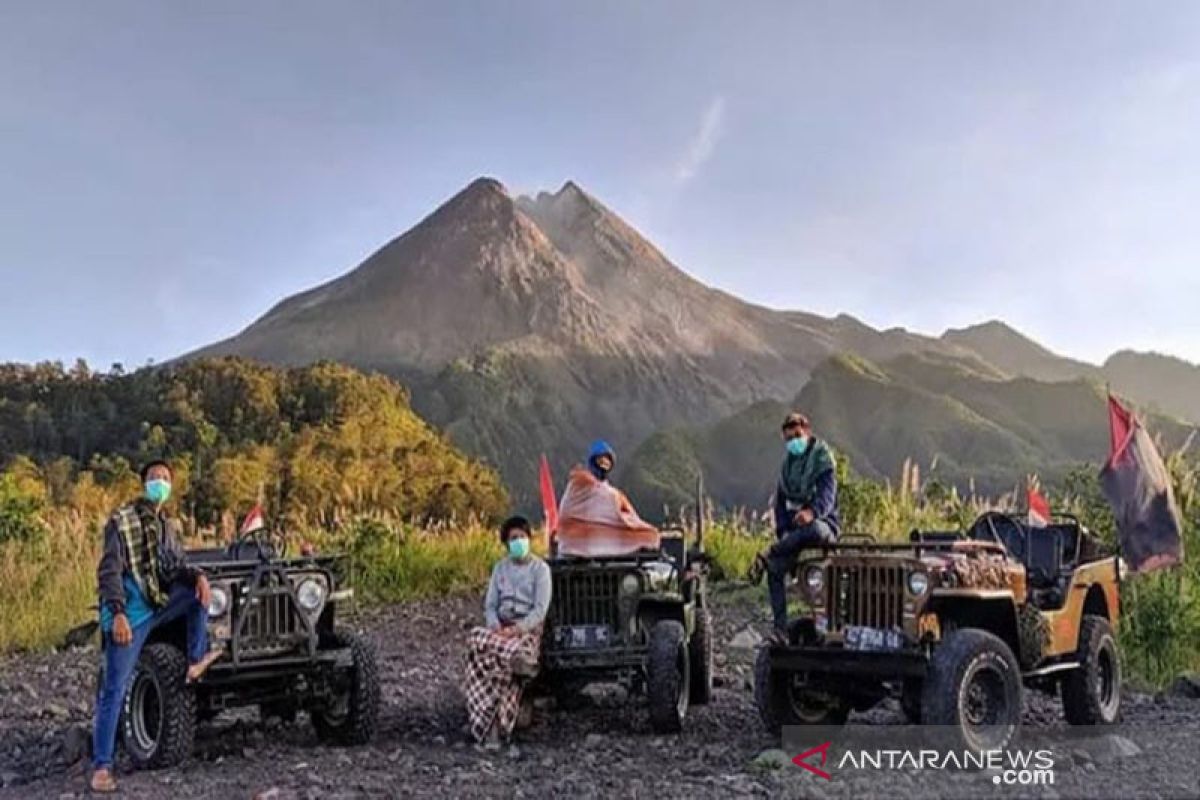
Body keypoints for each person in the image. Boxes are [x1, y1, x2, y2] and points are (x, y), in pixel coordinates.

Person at [90, 460, 222, 794]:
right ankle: (101, 767)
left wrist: (198, 577)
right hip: (130, 615)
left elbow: (175, 565)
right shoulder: (122, 522)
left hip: (156, 604)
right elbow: (108, 572)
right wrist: (117, 613)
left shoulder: (166, 526)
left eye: (165, 479)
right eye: (154, 478)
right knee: (115, 689)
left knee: (196, 595)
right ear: (143, 482)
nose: (159, 483)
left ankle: (195, 661)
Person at [463, 516, 552, 748]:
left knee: (492, 662)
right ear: (506, 543)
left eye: (522, 537)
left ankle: (493, 725)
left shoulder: (540, 570)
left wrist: (516, 630)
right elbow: (491, 606)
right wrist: (496, 627)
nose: (519, 542)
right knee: (476, 638)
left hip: (525, 631)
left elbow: (539, 611)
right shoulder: (500, 569)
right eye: (514, 538)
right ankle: (489, 722)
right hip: (500, 630)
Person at [752, 413, 840, 643]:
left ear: (807, 432)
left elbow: (827, 497)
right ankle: (780, 630)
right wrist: (784, 532)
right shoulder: (786, 469)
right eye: (789, 439)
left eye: (797, 436)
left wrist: (811, 513)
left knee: (813, 530)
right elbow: (780, 509)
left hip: (821, 526)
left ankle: (770, 550)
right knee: (774, 570)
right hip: (794, 536)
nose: (794, 442)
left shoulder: (822, 459)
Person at [555, 440, 659, 556]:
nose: (604, 464)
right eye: (601, 460)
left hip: (601, 537)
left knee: (649, 535)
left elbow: (624, 515)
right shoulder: (579, 483)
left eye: (607, 461)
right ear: (593, 461)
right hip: (572, 543)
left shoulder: (609, 490)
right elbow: (568, 514)